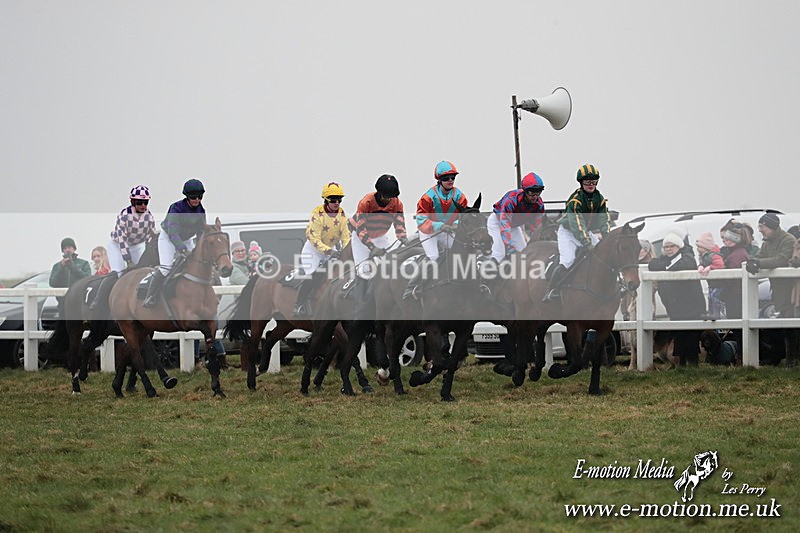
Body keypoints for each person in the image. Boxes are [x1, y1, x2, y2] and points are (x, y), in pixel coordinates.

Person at [544, 164, 612, 302]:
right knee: (568, 260)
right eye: (587, 181)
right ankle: (551, 291)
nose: (591, 184)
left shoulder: (600, 199)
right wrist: (587, 243)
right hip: (569, 233)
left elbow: (604, 221)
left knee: (604, 256)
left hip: (586, 232)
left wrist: (607, 238)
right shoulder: (575, 200)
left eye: (594, 181)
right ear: (581, 183)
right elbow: (577, 223)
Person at [405, 161, 468, 299]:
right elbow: (421, 219)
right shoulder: (428, 197)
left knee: (459, 253)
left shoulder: (460, 196)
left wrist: (457, 223)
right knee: (433, 257)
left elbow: (464, 215)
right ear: (439, 180)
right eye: (446, 178)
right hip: (429, 232)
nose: (450, 180)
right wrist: (439, 226)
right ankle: (413, 286)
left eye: (453, 177)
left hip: (448, 231)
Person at [91, 185, 158, 312]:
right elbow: (122, 240)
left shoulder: (149, 216)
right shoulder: (124, 215)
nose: (143, 205)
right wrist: (128, 260)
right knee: (118, 272)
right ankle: (98, 300)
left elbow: (151, 235)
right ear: (133, 202)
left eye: (146, 202)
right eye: (140, 202)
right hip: (118, 245)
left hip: (137, 245)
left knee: (143, 272)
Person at [143, 178, 207, 308]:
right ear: (187, 197)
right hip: (168, 238)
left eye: (200, 197)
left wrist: (199, 249)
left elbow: (201, 233)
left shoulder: (201, 211)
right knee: (166, 268)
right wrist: (183, 250)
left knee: (193, 266)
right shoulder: (176, 208)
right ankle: (150, 296)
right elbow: (173, 233)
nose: (197, 200)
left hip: (186, 239)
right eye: (194, 197)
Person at [349, 174, 407, 316]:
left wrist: (404, 239)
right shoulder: (366, 202)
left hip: (380, 236)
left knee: (388, 267)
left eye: (391, 196)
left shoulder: (397, 204)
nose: (389, 200)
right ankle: (359, 307)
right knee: (364, 270)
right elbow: (360, 229)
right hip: (360, 236)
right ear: (379, 193)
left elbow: (399, 225)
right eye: (386, 196)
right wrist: (372, 247)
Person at [293, 181, 351, 317]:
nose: (337, 203)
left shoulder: (341, 214)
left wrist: (346, 249)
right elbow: (315, 239)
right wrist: (329, 251)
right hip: (313, 251)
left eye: (340, 200)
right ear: (326, 199)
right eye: (333, 200)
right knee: (312, 276)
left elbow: (345, 235)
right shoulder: (317, 213)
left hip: (330, 251)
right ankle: (299, 305)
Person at [746, 213, 798, 365]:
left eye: (763, 227)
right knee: (784, 326)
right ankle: (785, 359)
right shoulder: (767, 242)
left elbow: (781, 260)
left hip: (790, 290)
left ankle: (792, 360)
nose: (760, 230)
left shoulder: (788, 240)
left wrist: (758, 263)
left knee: (792, 326)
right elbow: (761, 256)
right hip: (777, 290)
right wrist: (752, 261)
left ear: (772, 226)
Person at [648, 232, 706, 366]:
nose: (668, 249)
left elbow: (683, 265)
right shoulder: (665, 259)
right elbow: (653, 265)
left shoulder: (687, 256)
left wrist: (667, 267)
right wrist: (667, 265)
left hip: (691, 305)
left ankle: (693, 363)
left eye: (671, 246)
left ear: (678, 246)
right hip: (676, 307)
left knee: (691, 335)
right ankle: (681, 365)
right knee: (679, 335)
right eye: (666, 246)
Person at [487, 171, 546, 262]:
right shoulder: (511, 200)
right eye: (531, 193)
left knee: (524, 254)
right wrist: (511, 249)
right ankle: (486, 273)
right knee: (500, 253)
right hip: (497, 223)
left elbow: (535, 228)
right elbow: (505, 227)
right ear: (525, 191)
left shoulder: (539, 205)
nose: (535, 196)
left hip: (513, 226)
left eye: (538, 192)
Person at [695, 232, 725, 320]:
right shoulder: (703, 256)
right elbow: (701, 263)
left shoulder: (714, 255)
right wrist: (700, 266)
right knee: (710, 297)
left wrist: (710, 267)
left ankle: (716, 313)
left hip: (718, 283)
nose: (697, 249)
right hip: (711, 283)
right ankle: (711, 313)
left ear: (705, 247)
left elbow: (720, 265)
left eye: (699, 247)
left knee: (715, 297)